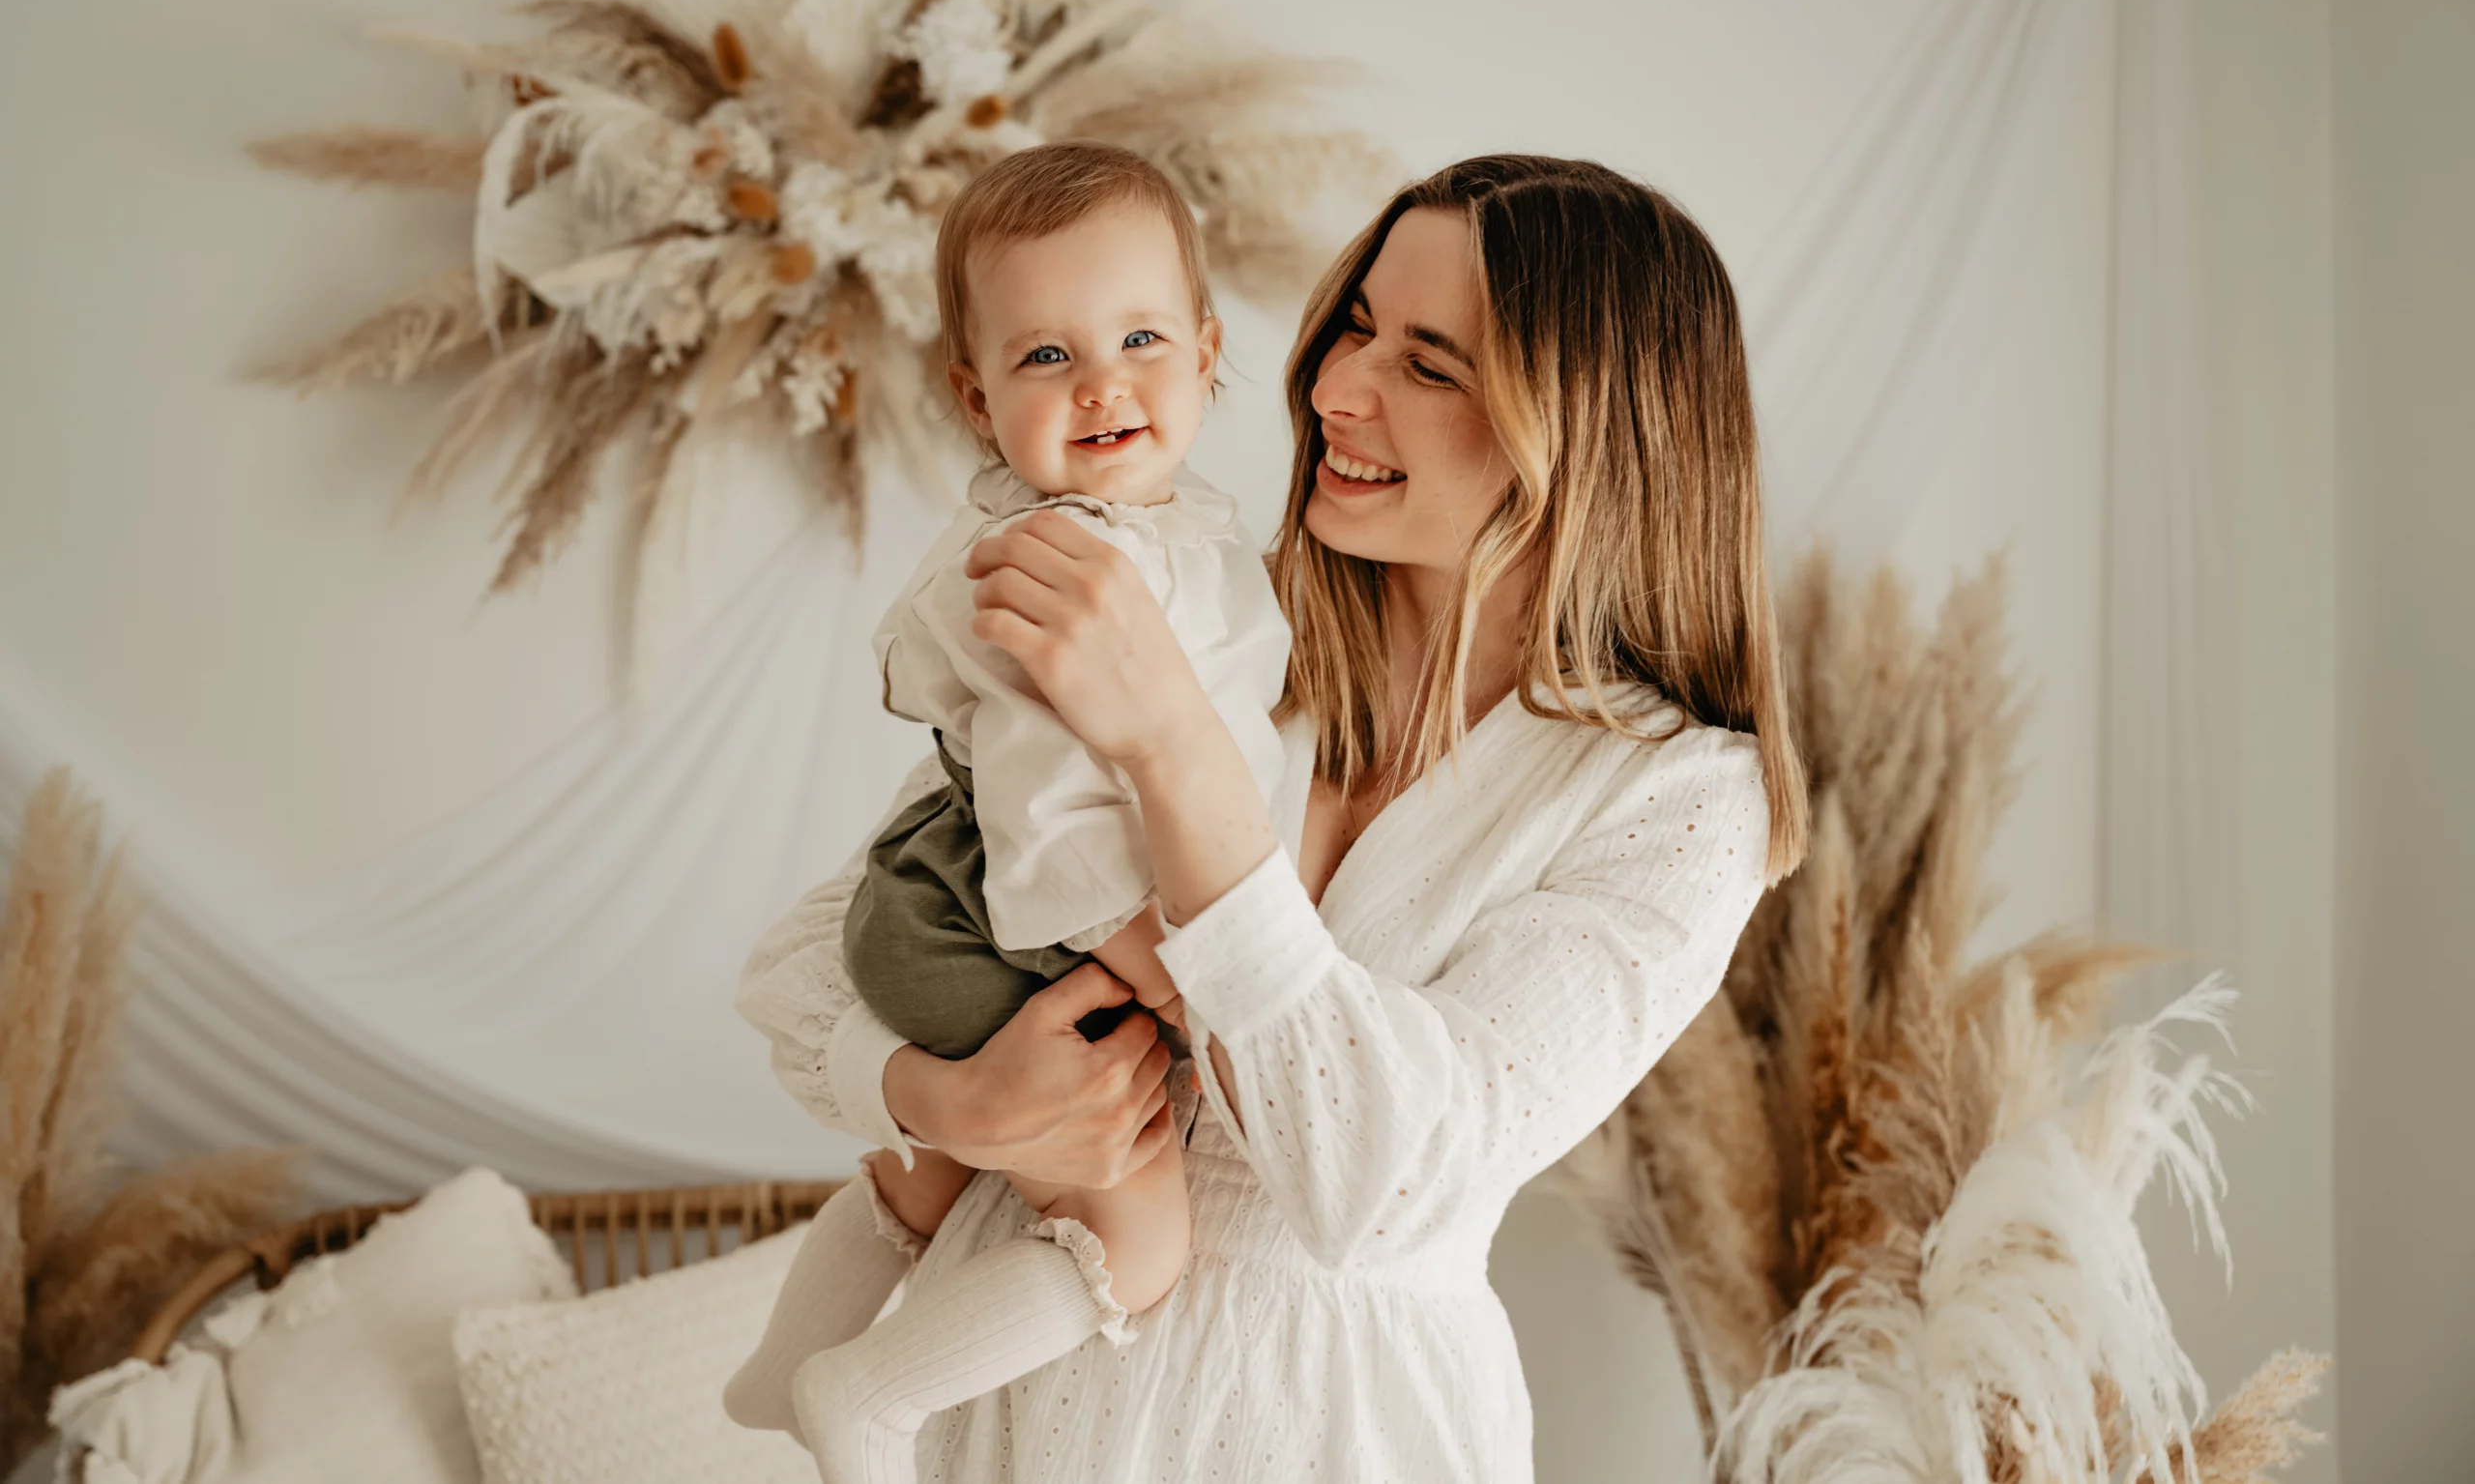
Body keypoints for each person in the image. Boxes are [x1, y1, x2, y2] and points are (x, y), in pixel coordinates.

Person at [733, 154, 1810, 1482]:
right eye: (1355, 325)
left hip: (1331, 1429)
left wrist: (1173, 744)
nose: (1335, 389)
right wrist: (951, 1098)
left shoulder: (1677, 799)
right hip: (1002, 1413)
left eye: (1428, 364)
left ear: (1585, 428)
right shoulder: (1196, 606)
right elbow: (811, 959)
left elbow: (1380, 1185)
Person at [723, 141, 1288, 1481]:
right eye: (1046, 355)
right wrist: (1168, 979)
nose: (1102, 382)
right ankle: (866, 1395)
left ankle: (779, 1369)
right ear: (977, 398)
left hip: (966, 901)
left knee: (931, 1170)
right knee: (1138, 1241)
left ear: (1208, 351)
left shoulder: (1173, 529)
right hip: (990, 919)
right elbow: (1053, 824)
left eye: (1141, 337)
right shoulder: (1065, 565)